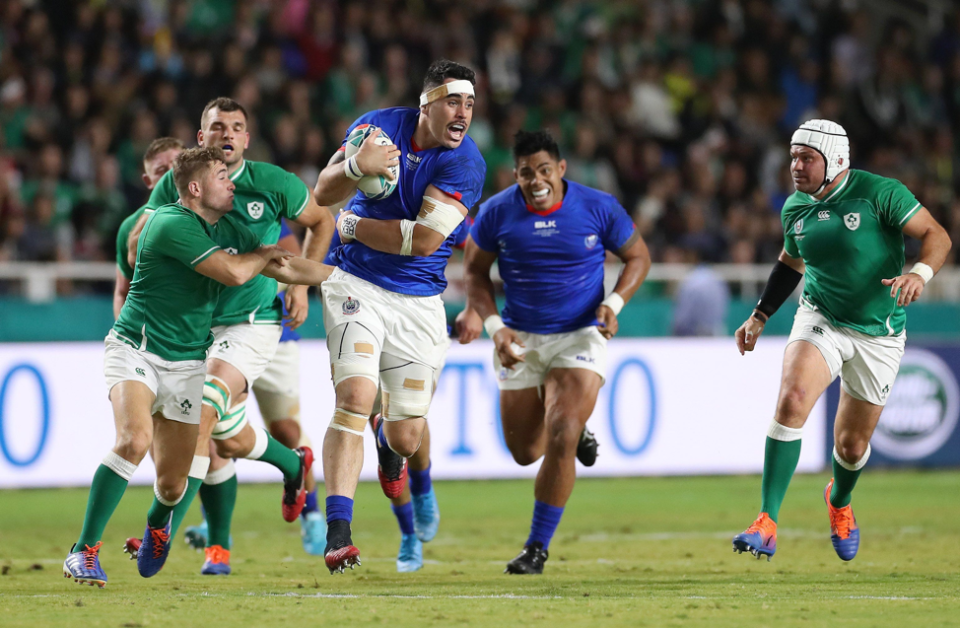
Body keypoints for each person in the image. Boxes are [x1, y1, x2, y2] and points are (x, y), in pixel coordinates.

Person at [63, 147, 293, 587]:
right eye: (222, 176)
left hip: (188, 363)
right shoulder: (167, 221)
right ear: (194, 188)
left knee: (172, 487)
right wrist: (263, 257)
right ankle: (84, 551)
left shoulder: (231, 227)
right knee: (133, 440)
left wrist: (344, 276)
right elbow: (235, 272)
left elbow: (287, 264)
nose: (232, 183)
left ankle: (158, 523)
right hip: (137, 348)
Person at [124, 97, 335, 576]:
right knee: (227, 436)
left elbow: (321, 220)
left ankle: (162, 524)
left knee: (203, 413)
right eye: (217, 127)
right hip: (197, 327)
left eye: (237, 128)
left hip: (253, 321)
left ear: (246, 138)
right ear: (202, 138)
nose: (227, 135)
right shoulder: (182, 185)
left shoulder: (273, 183)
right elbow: (139, 243)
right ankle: (292, 464)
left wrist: (299, 284)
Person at [731, 119, 952, 562]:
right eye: (793, 156)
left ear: (834, 160)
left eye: (806, 157)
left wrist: (918, 273)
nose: (795, 165)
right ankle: (767, 521)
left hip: (879, 333)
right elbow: (790, 264)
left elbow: (937, 236)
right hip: (821, 318)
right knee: (792, 399)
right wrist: (759, 315)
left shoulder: (880, 193)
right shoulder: (795, 207)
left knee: (851, 447)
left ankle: (839, 501)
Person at [310, 59, 486, 573]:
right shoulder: (376, 127)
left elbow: (424, 241)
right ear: (426, 103)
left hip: (418, 297)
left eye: (470, 104)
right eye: (454, 101)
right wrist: (355, 166)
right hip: (355, 284)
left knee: (405, 435)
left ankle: (399, 460)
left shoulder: (465, 163)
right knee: (355, 399)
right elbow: (322, 192)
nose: (464, 113)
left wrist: (349, 227)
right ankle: (338, 532)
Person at [463, 129, 650, 574]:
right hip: (521, 338)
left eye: (544, 170)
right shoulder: (494, 213)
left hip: (580, 333)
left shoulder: (598, 206)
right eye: (526, 173)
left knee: (562, 431)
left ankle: (536, 548)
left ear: (561, 169)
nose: (536, 180)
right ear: (517, 175)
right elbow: (474, 274)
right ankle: (571, 423)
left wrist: (614, 302)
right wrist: (495, 329)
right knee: (526, 452)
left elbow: (638, 257)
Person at [182, 220, 326, 557]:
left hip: (272, 334)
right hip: (217, 335)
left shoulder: (262, 205)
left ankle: (312, 514)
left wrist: (289, 286)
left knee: (287, 429)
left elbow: (290, 256)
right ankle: (213, 525)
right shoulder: (197, 215)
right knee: (211, 424)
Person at [113, 137, 184, 318]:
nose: (170, 175)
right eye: (161, 171)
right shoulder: (130, 227)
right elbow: (123, 292)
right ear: (148, 181)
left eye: (176, 166)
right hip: (156, 330)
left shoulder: (213, 214)